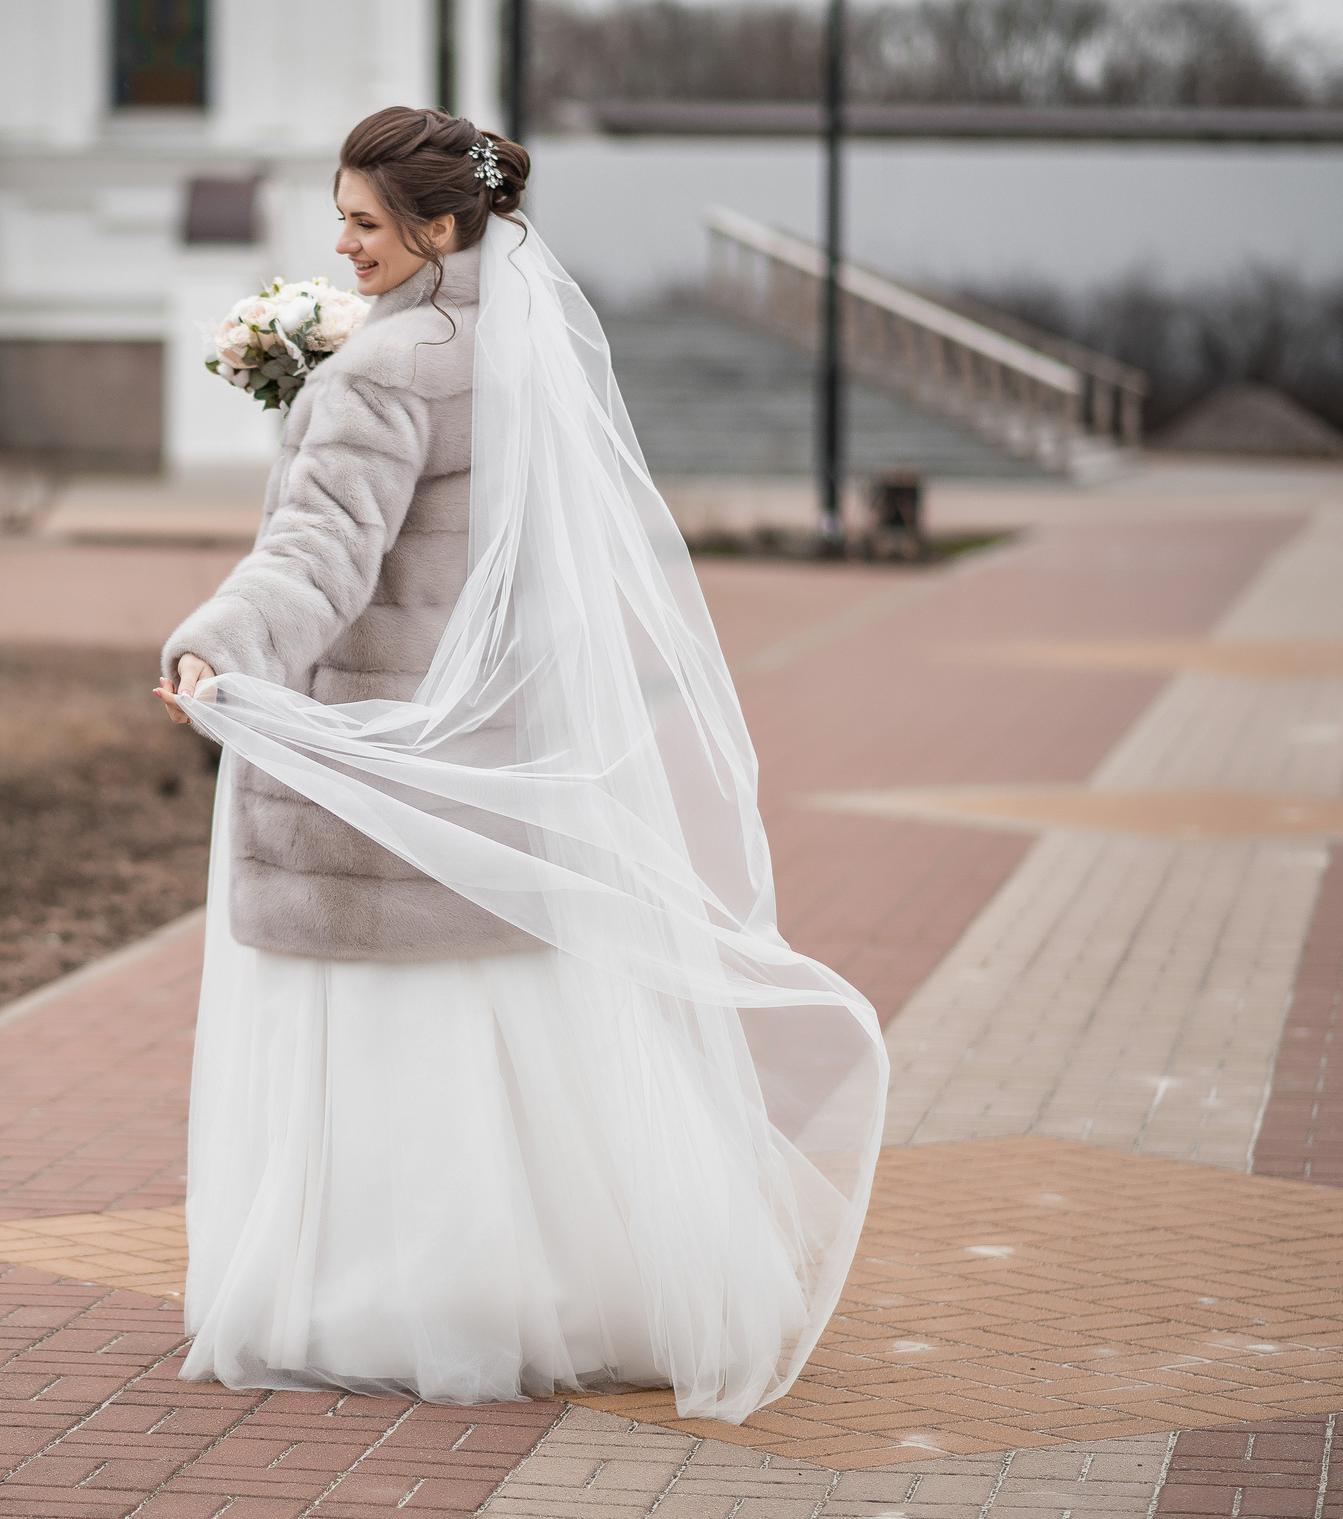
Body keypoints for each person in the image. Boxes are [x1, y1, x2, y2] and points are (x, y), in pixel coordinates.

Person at [153, 106, 887, 1418]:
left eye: (366, 224)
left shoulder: (380, 375)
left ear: (440, 226)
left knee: (383, 1060)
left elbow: (317, 559)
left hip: (379, 777)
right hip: (488, 768)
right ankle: (567, 1289)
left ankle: (390, 1305)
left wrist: (220, 649)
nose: (343, 244)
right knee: (502, 1053)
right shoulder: (508, 352)